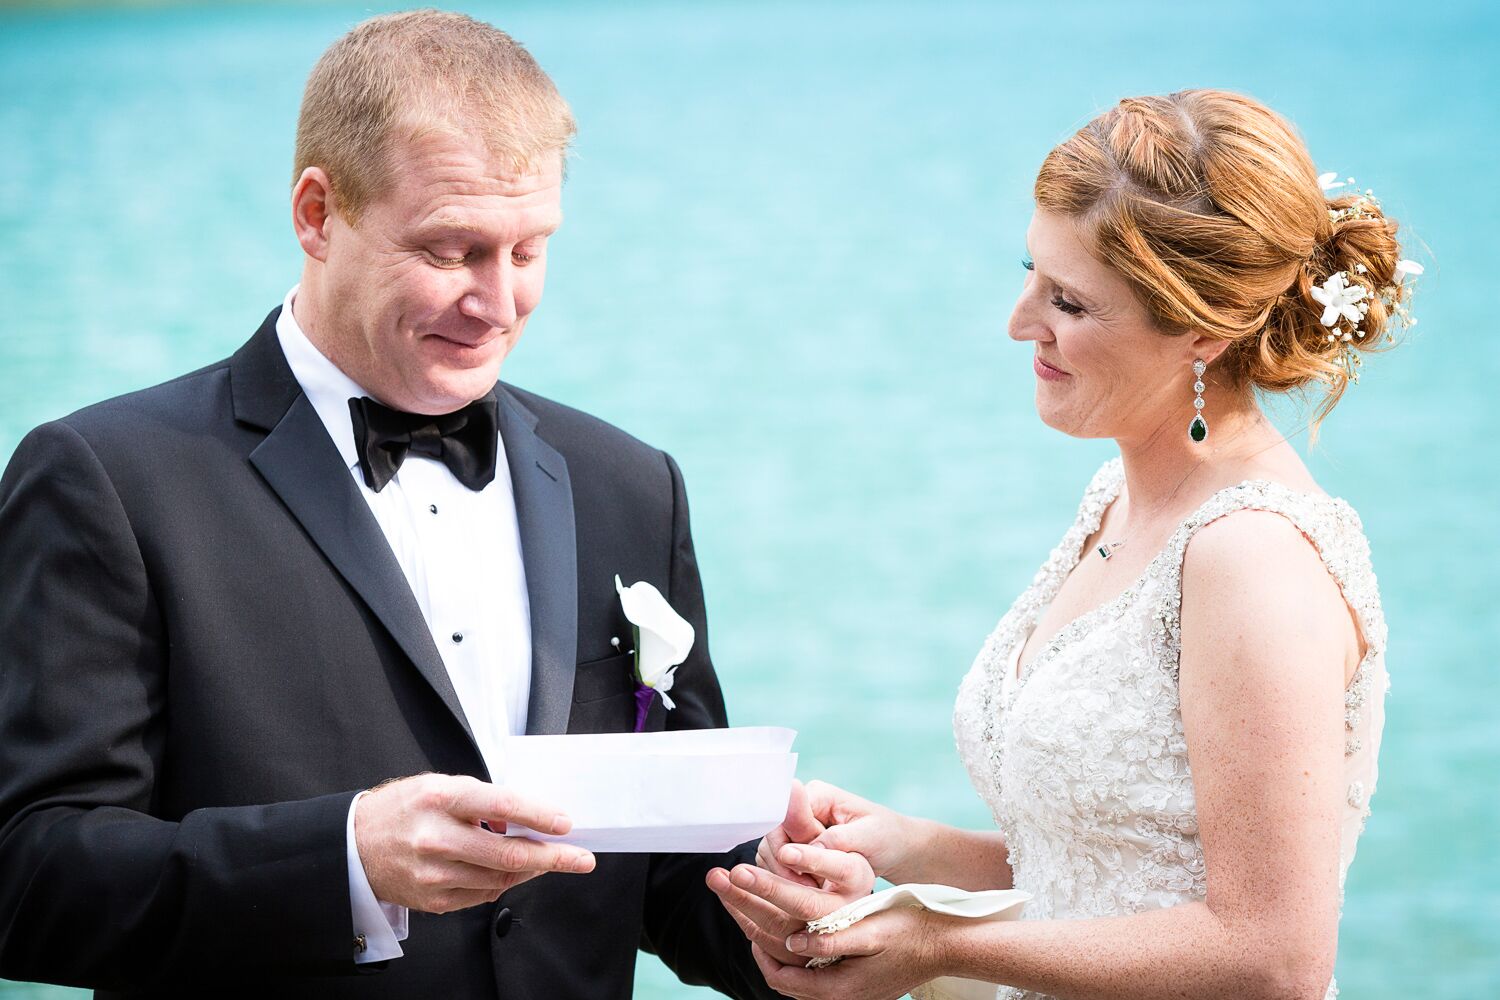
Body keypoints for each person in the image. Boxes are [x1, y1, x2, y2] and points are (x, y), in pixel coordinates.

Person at [0, 10, 798, 999]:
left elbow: (668, 876)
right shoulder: (105, 480)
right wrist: (343, 860)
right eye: (453, 249)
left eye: (530, 249)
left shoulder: (632, 484)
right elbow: (29, 878)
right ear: (317, 213)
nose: (499, 302)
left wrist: (793, 922)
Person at [708, 89, 1410, 1000]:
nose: (1019, 320)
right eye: (1030, 271)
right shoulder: (1117, 498)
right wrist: (909, 847)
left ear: (1203, 327)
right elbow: (1112, 875)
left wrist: (938, 946)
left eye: (1068, 300)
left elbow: (1272, 956)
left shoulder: (1254, 559)